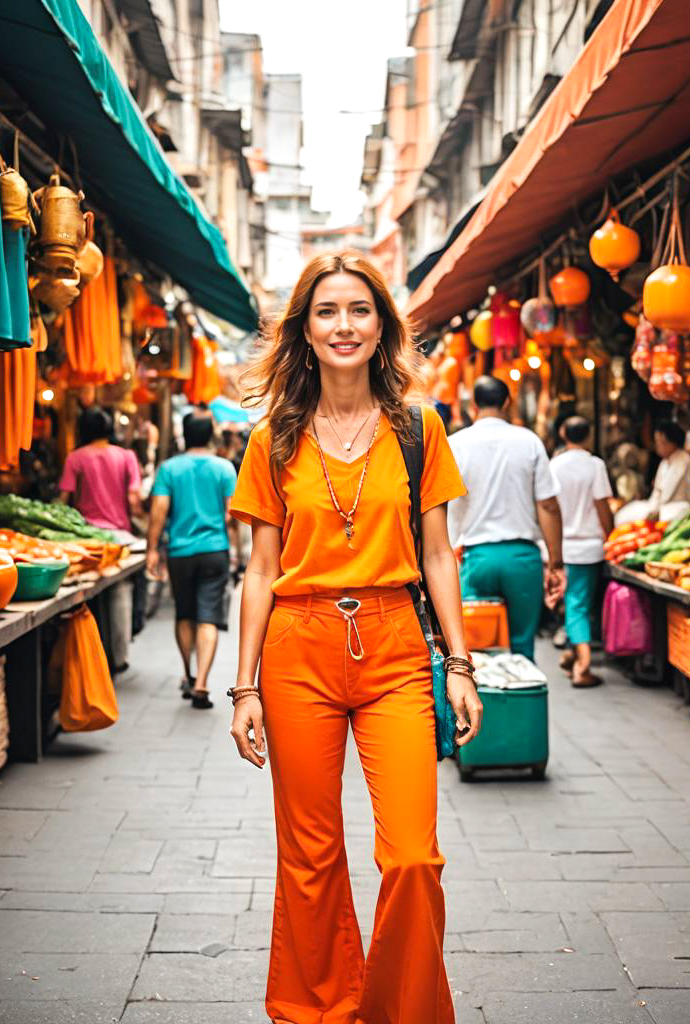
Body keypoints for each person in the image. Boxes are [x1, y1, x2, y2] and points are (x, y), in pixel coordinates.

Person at [229, 251, 482, 1024]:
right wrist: (242, 688)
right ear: (304, 330)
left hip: (398, 645)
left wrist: (461, 665)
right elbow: (260, 568)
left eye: (359, 311)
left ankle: (402, 1011)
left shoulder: (419, 427)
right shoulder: (273, 437)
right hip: (296, 647)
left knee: (411, 855)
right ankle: (320, 1010)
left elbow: (440, 553)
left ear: (382, 328)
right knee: (309, 855)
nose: (344, 325)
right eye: (327, 312)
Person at [446, 375, 565, 661]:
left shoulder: (455, 443)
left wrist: (449, 550)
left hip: (476, 559)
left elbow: (445, 505)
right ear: (508, 402)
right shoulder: (529, 441)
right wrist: (556, 562)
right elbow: (548, 506)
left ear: (473, 405)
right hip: (523, 559)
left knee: (476, 646)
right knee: (523, 647)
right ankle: (524, 704)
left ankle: (482, 705)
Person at [146, 413, 236, 708]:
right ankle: (202, 683)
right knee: (208, 615)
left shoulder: (169, 469)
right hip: (214, 550)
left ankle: (188, 673)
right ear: (210, 435)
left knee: (184, 613)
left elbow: (158, 512)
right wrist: (233, 546)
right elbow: (233, 514)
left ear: (184, 435)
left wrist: (151, 550)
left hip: (180, 553)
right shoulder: (224, 468)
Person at [59, 407, 142, 671]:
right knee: (120, 590)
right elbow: (134, 499)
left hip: (86, 538)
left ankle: (88, 656)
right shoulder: (127, 456)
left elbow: (64, 500)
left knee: (85, 595)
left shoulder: (75, 458)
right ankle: (120, 657)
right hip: (120, 537)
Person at [551, 415, 614, 687]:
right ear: (588, 436)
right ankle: (583, 667)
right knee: (579, 604)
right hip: (589, 547)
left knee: (574, 602)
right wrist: (611, 534)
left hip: (564, 546)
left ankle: (573, 654)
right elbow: (602, 505)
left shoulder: (554, 465)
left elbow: (548, 508)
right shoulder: (595, 465)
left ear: (564, 434)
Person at [614, 419, 690, 526]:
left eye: (660, 442)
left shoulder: (683, 459)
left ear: (670, 443)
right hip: (659, 506)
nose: (657, 446)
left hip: (675, 507)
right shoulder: (665, 461)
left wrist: (652, 510)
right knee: (622, 515)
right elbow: (657, 493)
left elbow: (666, 494)